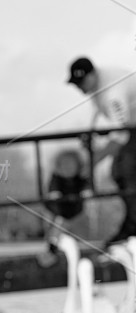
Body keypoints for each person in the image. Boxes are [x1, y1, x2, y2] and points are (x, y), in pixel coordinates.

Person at [67, 56, 136, 246]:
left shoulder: (113, 93)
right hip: (131, 127)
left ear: (92, 75)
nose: (79, 88)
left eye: (81, 83)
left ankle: (133, 226)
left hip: (132, 129)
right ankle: (132, 224)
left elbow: (121, 136)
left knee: (125, 170)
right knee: (120, 170)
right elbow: (101, 115)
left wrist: (94, 160)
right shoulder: (98, 86)